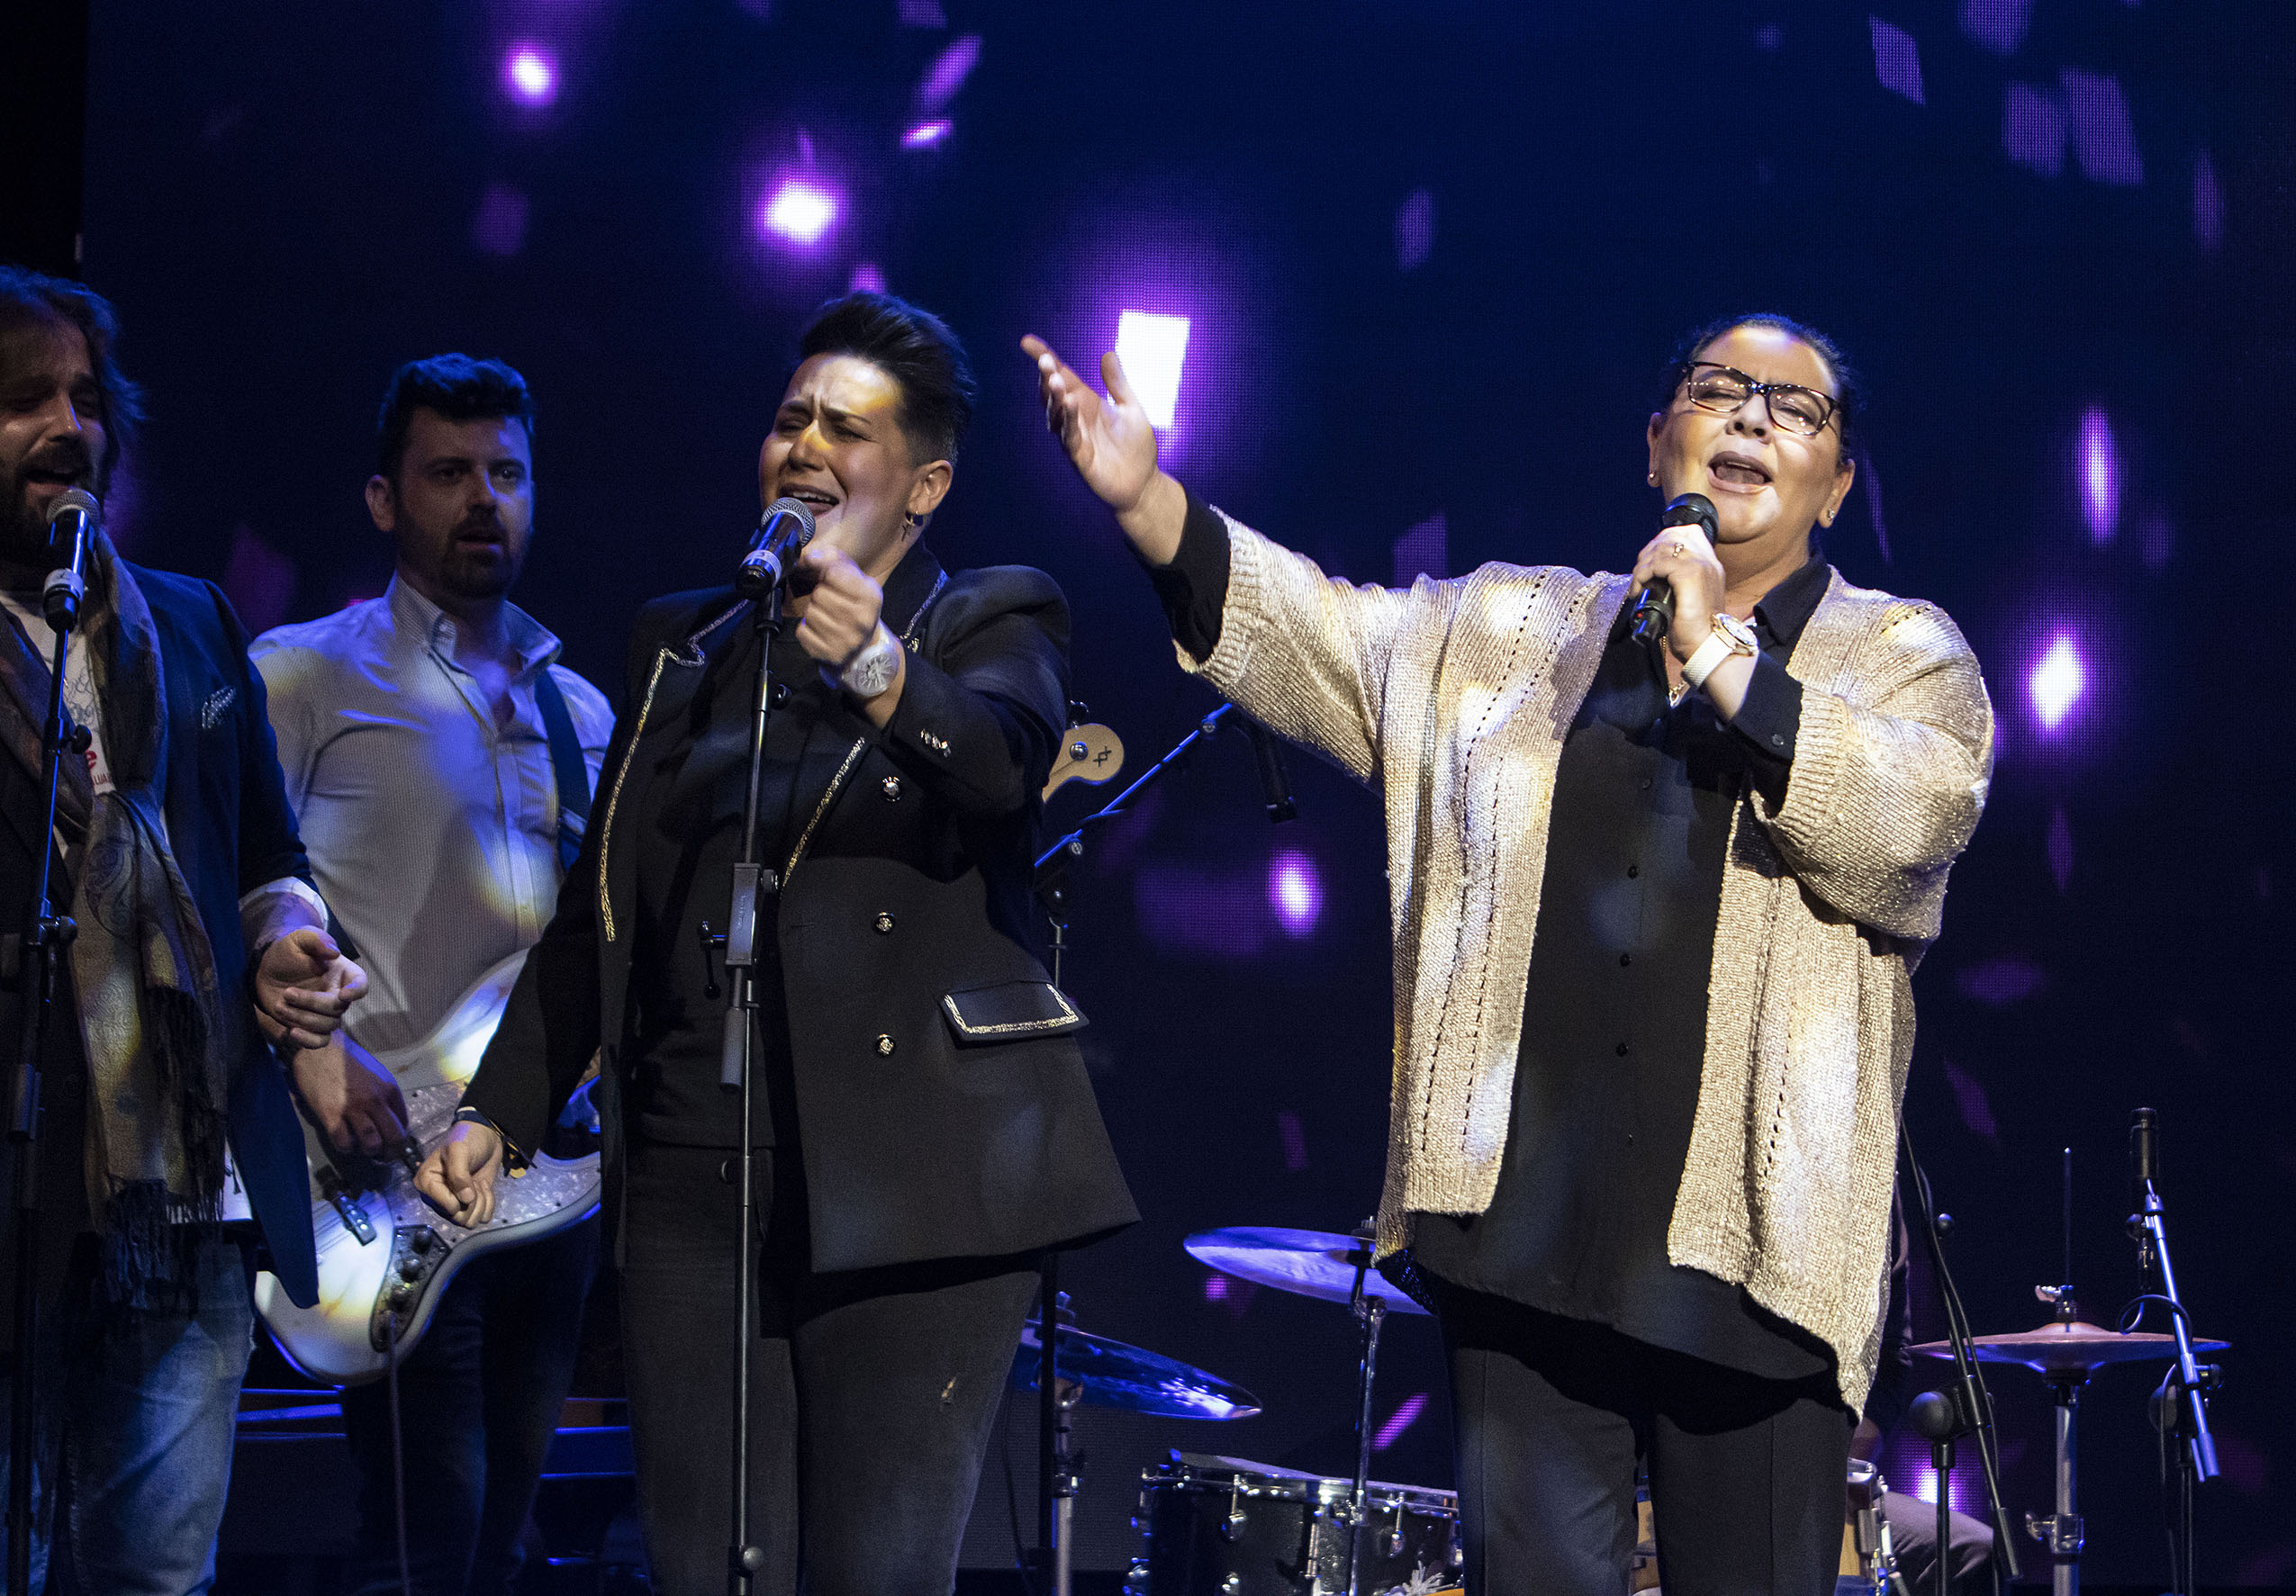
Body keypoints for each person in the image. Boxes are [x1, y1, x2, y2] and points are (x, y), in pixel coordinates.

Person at [1025, 311, 1994, 1596]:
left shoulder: (1902, 655)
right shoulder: (1510, 631)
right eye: (1718, 389)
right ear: (1656, 444)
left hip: (1755, 1281)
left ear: (1838, 483)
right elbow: (1322, 638)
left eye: (1794, 408)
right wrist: (1148, 502)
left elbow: (1910, 819)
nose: (1752, 416)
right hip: (1521, 1247)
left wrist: (1715, 651)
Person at [415, 292, 1136, 1596]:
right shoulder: (683, 642)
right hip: (693, 1171)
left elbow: (1000, 765)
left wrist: (877, 665)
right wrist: (498, 1110)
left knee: (874, 1573)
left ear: (923, 486)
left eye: (845, 428)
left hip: (915, 1182)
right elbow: (601, 906)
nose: (804, 444)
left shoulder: (990, 615)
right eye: (790, 417)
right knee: (707, 1569)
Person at [0, 265, 368, 1592]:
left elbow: (267, 857)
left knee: (156, 1578)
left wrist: (284, 939)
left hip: (189, 1187)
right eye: (24, 400)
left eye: (86, 399)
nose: (68, 427)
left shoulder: (197, 621)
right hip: (21, 1189)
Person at [249, 354, 610, 1596]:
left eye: (506, 473)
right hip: (381, 1175)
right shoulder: (301, 673)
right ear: (382, 498)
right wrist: (310, 1052)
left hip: (546, 1182)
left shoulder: (585, 714)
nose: (483, 499)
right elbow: (225, 883)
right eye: (449, 472)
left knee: (500, 1542)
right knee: (424, 1539)